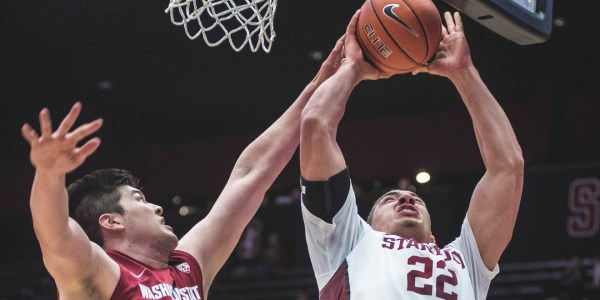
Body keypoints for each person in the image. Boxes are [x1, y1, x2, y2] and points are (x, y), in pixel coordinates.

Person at [20, 37, 347, 299]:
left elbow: (249, 175)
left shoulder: (188, 266)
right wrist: (49, 173)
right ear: (111, 221)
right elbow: (55, 233)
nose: (157, 207)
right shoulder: (97, 273)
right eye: (139, 199)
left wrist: (318, 85)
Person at [298, 10, 524, 299]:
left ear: (433, 238)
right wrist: (352, 68)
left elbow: (508, 167)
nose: (405, 198)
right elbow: (315, 124)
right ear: (366, 225)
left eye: (414, 199)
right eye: (389, 200)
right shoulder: (350, 242)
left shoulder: (466, 261)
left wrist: (464, 72)